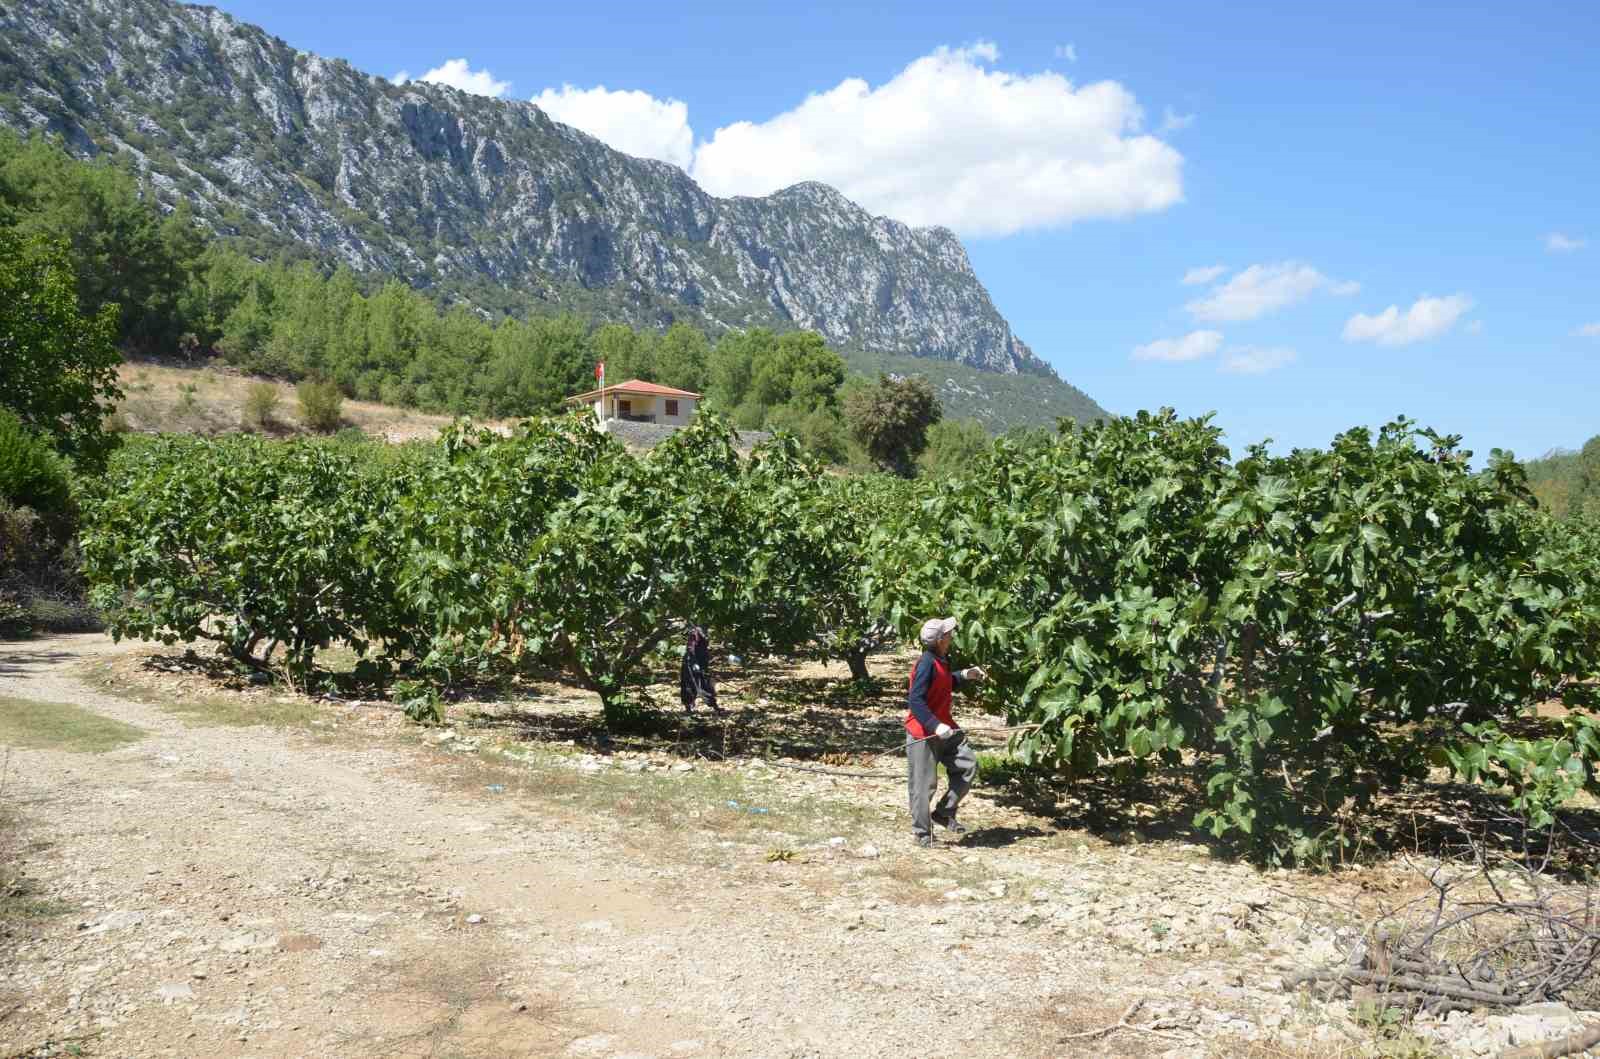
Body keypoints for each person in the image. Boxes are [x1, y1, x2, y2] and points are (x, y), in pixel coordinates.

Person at [904, 616, 986, 847]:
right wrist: (934, 725)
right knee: (923, 785)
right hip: (925, 733)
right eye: (948, 634)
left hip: (946, 728)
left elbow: (943, 683)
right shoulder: (926, 664)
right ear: (940, 639)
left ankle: (944, 812)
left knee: (968, 765)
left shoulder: (940, 660)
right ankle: (922, 834)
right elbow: (916, 701)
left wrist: (963, 675)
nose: (952, 636)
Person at [679, 624, 721, 714]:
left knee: (704, 683)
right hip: (692, 663)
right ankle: (689, 707)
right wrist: (694, 662)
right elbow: (691, 648)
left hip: (701, 662)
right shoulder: (695, 633)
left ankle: (714, 706)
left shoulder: (702, 634)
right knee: (692, 684)